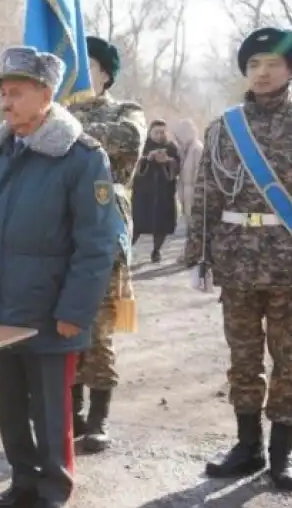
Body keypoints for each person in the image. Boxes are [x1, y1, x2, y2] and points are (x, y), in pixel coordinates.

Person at [184, 27, 292, 491]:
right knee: (242, 357)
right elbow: (205, 196)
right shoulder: (224, 127)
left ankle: (283, 451)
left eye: (272, 64)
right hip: (235, 261)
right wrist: (198, 256)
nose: (262, 72)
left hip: (291, 263)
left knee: (288, 359)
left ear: (291, 70)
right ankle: (246, 446)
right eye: (254, 64)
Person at [0, 46, 119, 508]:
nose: (6, 104)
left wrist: (75, 309)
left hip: (51, 309)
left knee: (52, 408)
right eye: (3, 94)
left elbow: (96, 244)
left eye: (16, 93)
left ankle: (54, 485)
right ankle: (23, 480)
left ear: (46, 95)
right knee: (9, 404)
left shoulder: (80, 158)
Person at [66, 36, 146, 451]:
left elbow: (126, 142)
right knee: (63, 328)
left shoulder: (126, 112)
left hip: (102, 235)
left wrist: (58, 124)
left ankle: (98, 417)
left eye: (88, 68)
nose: (78, 77)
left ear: (106, 74)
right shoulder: (51, 113)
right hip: (57, 236)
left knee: (98, 333)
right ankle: (70, 413)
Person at [132, 119, 180, 262]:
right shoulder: (142, 145)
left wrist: (168, 161)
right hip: (144, 194)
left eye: (162, 132)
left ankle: (156, 250)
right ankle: (125, 250)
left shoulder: (171, 147)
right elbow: (133, 164)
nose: (160, 135)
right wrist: (148, 159)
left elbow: (177, 166)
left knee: (162, 225)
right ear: (150, 133)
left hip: (164, 193)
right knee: (137, 224)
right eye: (157, 132)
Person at [174, 120, 204, 231]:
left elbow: (199, 172)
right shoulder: (186, 150)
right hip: (187, 189)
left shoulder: (197, 149)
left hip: (194, 190)